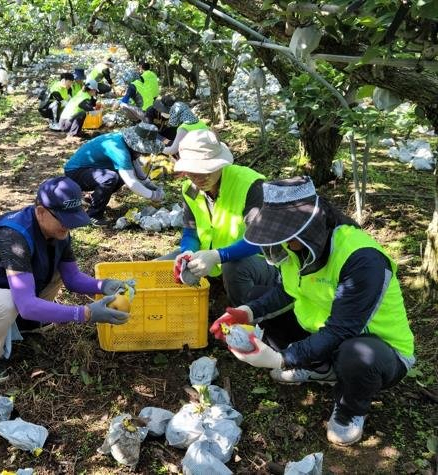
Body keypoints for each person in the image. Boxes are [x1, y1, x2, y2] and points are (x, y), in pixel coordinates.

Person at [211, 176, 415, 446]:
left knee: (356, 354)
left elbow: (343, 329)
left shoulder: (362, 259)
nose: (281, 244)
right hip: (325, 333)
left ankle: (349, 410)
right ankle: (320, 366)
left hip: (379, 350)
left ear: (309, 229)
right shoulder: (299, 248)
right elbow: (286, 291)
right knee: (257, 296)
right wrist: (246, 312)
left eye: (286, 237)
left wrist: (282, 358)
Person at [0, 177, 132, 384]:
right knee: (9, 302)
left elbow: (72, 278)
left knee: (54, 270)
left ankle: (24, 324)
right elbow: (27, 305)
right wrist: (86, 313)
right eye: (64, 219)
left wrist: (102, 285)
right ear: (40, 212)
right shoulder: (13, 237)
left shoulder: (58, 233)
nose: (69, 225)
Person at [171, 129, 278, 306]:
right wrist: (187, 251)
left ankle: (245, 320)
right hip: (213, 258)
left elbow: (259, 241)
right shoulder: (189, 189)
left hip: (257, 262)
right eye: (192, 171)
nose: (199, 177)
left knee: (234, 267)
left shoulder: (250, 184)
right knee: (164, 265)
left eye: (206, 170)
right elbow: (190, 231)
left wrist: (218, 256)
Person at [64, 123, 165, 226]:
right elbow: (131, 182)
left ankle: (95, 198)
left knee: (119, 175)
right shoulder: (120, 150)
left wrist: (149, 184)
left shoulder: (124, 142)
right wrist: (153, 195)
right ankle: (93, 215)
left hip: (89, 169)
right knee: (110, 178)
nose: (143, 153)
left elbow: (135, 169)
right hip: (76, 172)